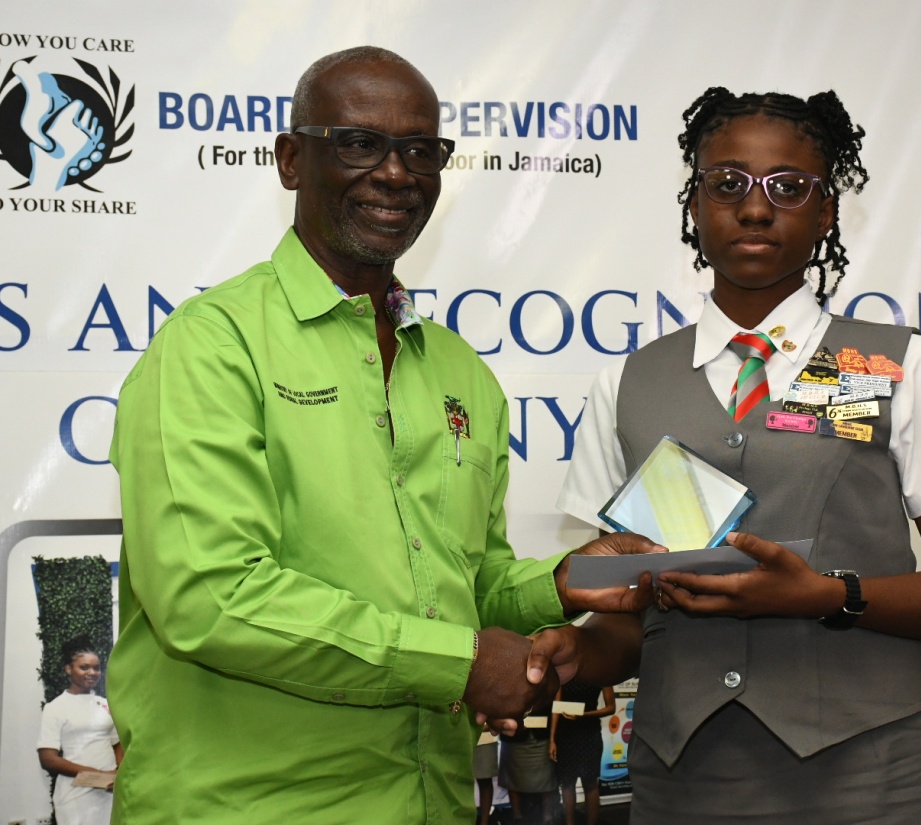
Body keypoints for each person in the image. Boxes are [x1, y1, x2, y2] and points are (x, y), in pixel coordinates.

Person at [107, 46, 658, 825]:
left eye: (421, 150)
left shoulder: (461, 374)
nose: (397, 173)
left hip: (428, 799)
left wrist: (562, 584)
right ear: (292, 159)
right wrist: (463, 665)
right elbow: (212, 596)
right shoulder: (212, 346)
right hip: (242, 807)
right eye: (360, 143)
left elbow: (464, 583)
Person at [531, 87, 921, 824]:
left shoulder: (896, 364)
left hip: (868, 781)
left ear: (825, 213)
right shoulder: (625, 383)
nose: (756, 208)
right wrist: (575, 650)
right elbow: (629, 615)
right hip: (686, 782)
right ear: (694, 205)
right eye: (728, 184)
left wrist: (825, 595)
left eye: (789, 188)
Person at [37, 638, 123, 825]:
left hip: (108, 795)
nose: (92, 672)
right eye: (84, 667)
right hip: (75, 797)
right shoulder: (55, 708)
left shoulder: (105, 705)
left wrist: (119, 775)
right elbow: (48, 759)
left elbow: (117, 745)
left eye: (96, 667)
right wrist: (95, 776)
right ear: (69, 669)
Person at [549, 682, 615, 825]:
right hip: (566, 734)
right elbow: (557, 705)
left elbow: (611, 707)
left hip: (589, 734)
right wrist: (552, 739)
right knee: (567, 782)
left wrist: (584, 715)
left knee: (590, 783)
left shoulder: (601, 673)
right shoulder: (565, 673)